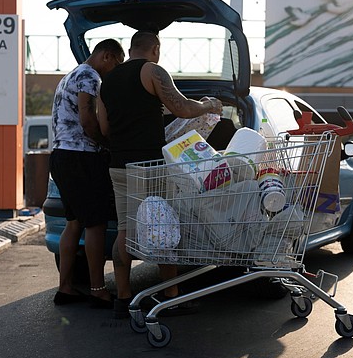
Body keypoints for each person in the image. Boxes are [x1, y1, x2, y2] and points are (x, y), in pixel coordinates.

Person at [98, 31, 223, 318]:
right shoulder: (152, 71)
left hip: (119, 165)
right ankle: (171, 296)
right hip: (151, 166)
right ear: (154, 48)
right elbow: (181, 107)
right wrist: (209, 106)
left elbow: (104, 128)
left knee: (125, 230)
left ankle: (124, 298)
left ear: (130, 49)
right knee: (163, 224)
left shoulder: (108, 82)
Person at [50, 39, 125, 306]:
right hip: (81, 157)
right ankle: (97, 289)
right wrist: (106, 144)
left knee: (74, 223)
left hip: (60, 156)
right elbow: (87, 117)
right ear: (107, 56)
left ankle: (65, 287)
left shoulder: (69, 75)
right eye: (117, 63)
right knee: (96, 223)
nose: (115, 71)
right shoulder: (90, 76)